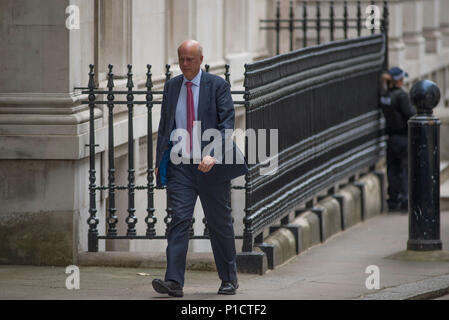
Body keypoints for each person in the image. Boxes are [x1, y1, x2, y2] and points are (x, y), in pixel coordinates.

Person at [151, 40, 248, 297]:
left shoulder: (217, 86)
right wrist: (162, 162)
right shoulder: (172, 87)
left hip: (210, 168)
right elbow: (165, 127)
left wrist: (213, 155)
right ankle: (173, 282)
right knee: (179, 220)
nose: (184, 64)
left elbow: (227, 124)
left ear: (201, 59)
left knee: (219, 224)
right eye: (181, 59)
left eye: (190, 59)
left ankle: (229, 279)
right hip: (180, 166)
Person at [379, 67, 416, 212]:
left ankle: (393, 200)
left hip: (391, 138)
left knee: (392, 169)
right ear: (399, 81)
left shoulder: (385, 96)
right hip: (403, 137)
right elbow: (410, 113)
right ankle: (405, 200)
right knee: (405, 169)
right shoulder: (401, 96)